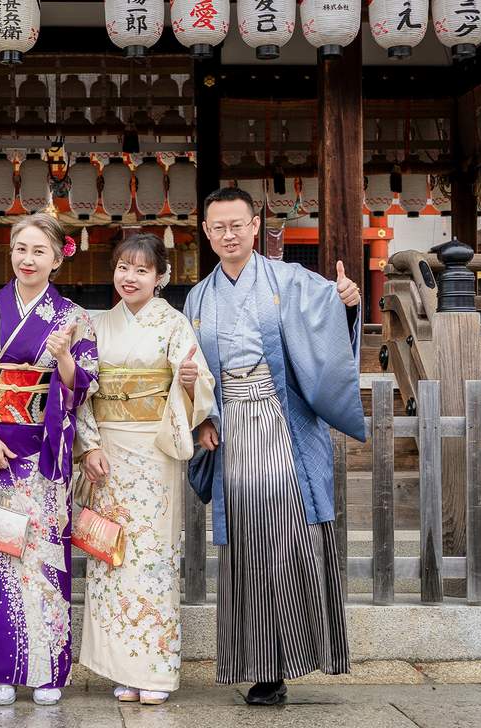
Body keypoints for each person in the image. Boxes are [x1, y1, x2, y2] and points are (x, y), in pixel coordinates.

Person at [183, 186, 365, 706]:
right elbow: (190, 368)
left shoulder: (291, 280)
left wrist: (347, 304)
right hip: (231, 425)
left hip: (281, 418)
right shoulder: (198, 298)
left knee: (291, 537)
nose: (229, 235)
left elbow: (329, 328)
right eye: (219, 227)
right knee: (245, 544)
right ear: (206, 232)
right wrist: (202, 418)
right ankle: (261, 669)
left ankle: (300, 654)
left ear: (255, 226)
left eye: (237, 225)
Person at [0, 213, 98, 707]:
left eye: (39, 251)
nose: (28, 259)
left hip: (44, 451)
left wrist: (64, 359)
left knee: (45, 558)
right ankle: (2, 671)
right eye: (21, 249)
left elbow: (86, 384)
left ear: (57, 259)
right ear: (10, 252)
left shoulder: (73, 317)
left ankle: (48, 671)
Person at [75, 233, 215, 706]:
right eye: (123, 268)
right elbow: (83, 390)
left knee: (152, 558)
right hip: (107, 453)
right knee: (110, 554)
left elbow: (197, 385)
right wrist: (89, 446)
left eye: (141, 270)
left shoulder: (173, 324)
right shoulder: (97, 324)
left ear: (160, 277)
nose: (130, 278)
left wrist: (189, 384)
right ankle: (120, 667)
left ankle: (154, 669)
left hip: (154, 450)